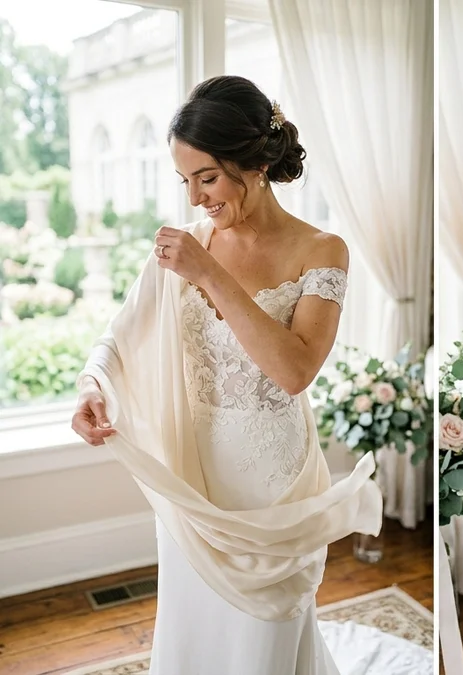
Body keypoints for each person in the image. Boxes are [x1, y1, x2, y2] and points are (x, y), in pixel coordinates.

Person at [70, 76, 383, 674]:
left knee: (264, 641)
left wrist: (210, 274)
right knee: (195, 634)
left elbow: (295, 370)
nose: (195, 199)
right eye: (184, 181)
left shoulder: (322, 250)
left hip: (272, 483)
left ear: (257, 163)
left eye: (207, 178)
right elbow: (121, 333)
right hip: (191, 477)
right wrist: (92, 386)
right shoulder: (184, 246)